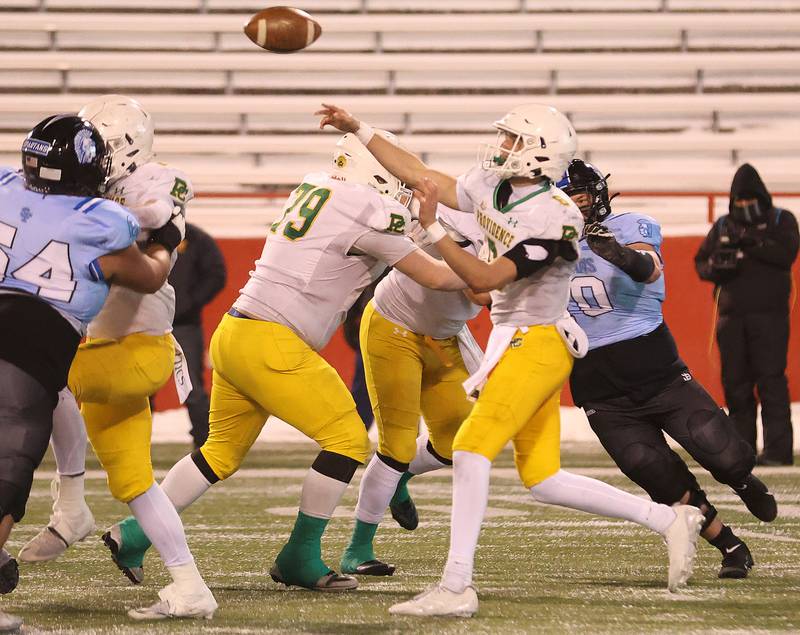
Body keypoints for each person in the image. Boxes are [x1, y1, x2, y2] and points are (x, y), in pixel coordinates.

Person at [316, 102, 703, 617]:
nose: (501, 148)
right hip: (519, 339)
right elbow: (419, 173)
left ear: (541, 156)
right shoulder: (495, 186)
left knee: (472, 450)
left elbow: (486, 280)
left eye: (512, 141)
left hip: (535, 343)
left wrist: (431, 230)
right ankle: (668, 519)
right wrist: (360, 129)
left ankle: (456, 586)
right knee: (543, 479)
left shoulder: (556, 216)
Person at [98, 130, 470, 593]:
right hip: (274, 341)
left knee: (220, 454)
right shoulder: (370, 210)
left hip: (237, 332)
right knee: (348, 440)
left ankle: (132, 536)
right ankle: (299, 555)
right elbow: (433, 274)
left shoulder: (319, 188)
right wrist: (495, 274)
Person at [17, 95, 217, 621]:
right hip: (114, 350)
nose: (93, 158)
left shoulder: (150, 186)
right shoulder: (93, 191)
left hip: (130, 347)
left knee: (40, 376)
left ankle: (71, 504)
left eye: (100, 147)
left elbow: (150, 220)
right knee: (135, 482)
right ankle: (189, 585)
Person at [561, 159, 777, 580]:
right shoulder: (546, 243)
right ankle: (730, 545)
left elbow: (649, 268)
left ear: (599, 195)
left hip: (655, 369)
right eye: (564, 199)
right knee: (656, 475)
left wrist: (617, 254)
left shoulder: (629, 225)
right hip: (598, 386)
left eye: (581, 197)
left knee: (723, 454)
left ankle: (744, 482)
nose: (575, 208)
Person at [0, 114, 174, 631]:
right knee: (9, 470)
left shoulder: (6, 185)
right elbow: (148, 278)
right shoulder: (101, 218)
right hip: (29, 345)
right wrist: (164, 237)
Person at [339, 204, 486, 577]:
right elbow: (481, 291)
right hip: (394, 326)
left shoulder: (522, 233)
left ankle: (401, 478)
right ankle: (357, 550)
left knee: (459, 439)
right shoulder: (466, 215)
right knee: (398, 445)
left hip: (445, 336)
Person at [695, 164, 798, 466]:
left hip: (770, 317)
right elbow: (701, 262)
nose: (744, 206)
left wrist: (751, 244)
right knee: (736, 385)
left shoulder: (781, 219)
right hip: (731, 317)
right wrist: (719, 266)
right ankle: (743, 452)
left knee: (771, 383)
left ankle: (778, 452)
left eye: (749, 199)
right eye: (739, 201)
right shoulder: (724, 225)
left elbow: (787, 253)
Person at [169, 222, 227, 448]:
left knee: (192, 388)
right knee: (139, 390)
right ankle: (134, 445)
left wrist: (189, 303)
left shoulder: (195, 237)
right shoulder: (140, 232)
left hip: (184, 324)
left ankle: (206, 447)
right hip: (147, 322)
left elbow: (216, 274)